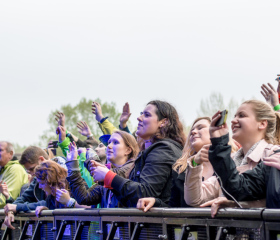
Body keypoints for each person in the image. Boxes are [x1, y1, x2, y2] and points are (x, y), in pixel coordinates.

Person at [92, 100, 186, 207]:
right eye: (141, 114)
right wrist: (106, 177)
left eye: (146, 115)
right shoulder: (154, 150)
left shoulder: (164, 149)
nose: (139, 118)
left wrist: (109, 176)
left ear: (163, 122)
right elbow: (130, 198)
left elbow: (145, 194)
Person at [137, 117, 238, 211]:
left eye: (200, 128)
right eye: (192, 131)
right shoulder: (181, 169)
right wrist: (155, 202)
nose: (193, 132)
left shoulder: (234, 162)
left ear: (215, 130)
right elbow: (174, 206)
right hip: (191, 229)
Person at [205, 99, 280, 215]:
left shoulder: (271, 153)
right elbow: (239, 187)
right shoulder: (273, 161)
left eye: (242, 115)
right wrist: (219, 142)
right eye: (235, 116)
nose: (234, 120)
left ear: (262, 124)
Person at [5, 160, 89, 229]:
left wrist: (69, 202)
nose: (40, 187)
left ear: (50, 181)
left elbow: (91, 207)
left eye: (41, 183)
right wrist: (47, 209)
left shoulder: (75, 186)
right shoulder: (52, 195)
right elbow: (44, 203)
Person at [66, 130, 139, 207]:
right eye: (109, 142)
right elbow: (83, 198)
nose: (109, 146)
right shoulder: (106, 175)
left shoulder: (133, 169)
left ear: (128, 150)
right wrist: (73, 165)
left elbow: (116, 174)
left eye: (115, 142)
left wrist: (90, 155)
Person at [3, 146, 66, 229]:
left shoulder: (64, 175)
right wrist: (11, 210)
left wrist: (17, 207)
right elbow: (24, 198)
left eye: (32, 169)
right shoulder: (37, 178)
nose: (32, 174)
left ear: (41, 160)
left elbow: (52, 202)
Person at [0, 141, 28, 208]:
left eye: (0, 150)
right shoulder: (4, 170)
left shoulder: (15, 169)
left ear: (10, 153)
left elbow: (5, 199)